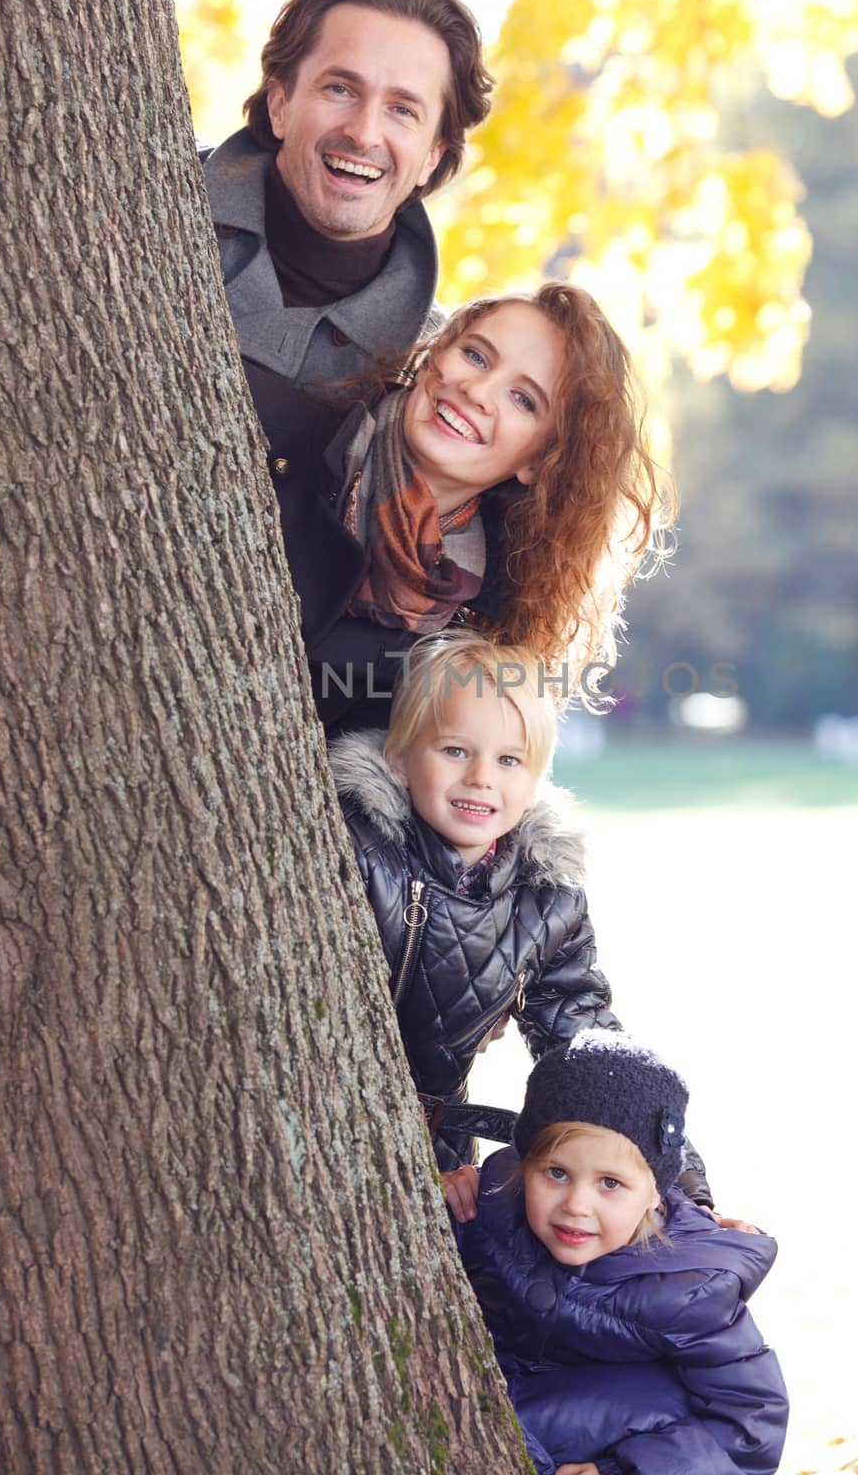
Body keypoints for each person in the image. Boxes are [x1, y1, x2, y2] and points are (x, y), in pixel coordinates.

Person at [329, 631, 714, 1208]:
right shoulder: (356, 849)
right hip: (329, 1120)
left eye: (509, 760)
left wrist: (688, 1198)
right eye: (456, 751)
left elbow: (590, 1046)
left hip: (437, 1156)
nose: (483, 777)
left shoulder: (545, 897)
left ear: (536, 783)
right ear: (401, 759)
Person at [251, 281, 666, 732]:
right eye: (476, 356)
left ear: (538, 462)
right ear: (436, 353)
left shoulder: (474, 641)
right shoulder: (279, 432)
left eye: (523, 399)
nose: (478, 390)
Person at [443, 1031, 789, 1475]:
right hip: (496, 1392)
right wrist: (442, 1188)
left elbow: (751, 1424)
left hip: (600, 1425)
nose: (576, 1205)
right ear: (523, 1165)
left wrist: (625, 1470)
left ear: (654, 1194)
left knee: (660, 1403)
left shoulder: (689, 1288)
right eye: (556, 1172)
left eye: (610, 1183)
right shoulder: (492, 1206)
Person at [200, 0, 493, 390]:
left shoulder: (428, 374)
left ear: (432, 156)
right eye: (341, 89)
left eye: (402, 110)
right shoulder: (151, 191)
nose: (363, 133)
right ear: (280, 105)